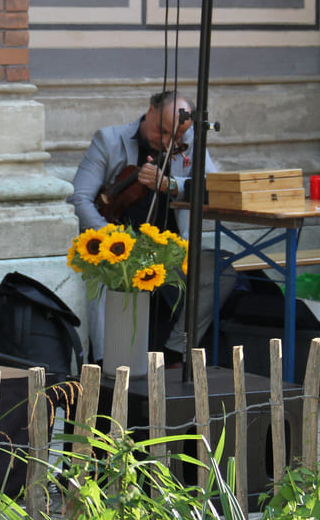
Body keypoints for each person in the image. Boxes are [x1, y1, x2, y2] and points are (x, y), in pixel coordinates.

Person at [67, 90, 218, 364]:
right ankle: (107, 364)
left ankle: (176, 351)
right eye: (162, 131)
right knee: (103, 280)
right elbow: (80, 197)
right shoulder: (109, 140)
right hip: (118, 246)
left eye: (177, 137)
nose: (167, 142)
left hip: (169, 251)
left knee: (221, 273)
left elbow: (215, 188)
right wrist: (112, 241)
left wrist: (171, 185)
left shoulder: (192, 142)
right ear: (150, 111)